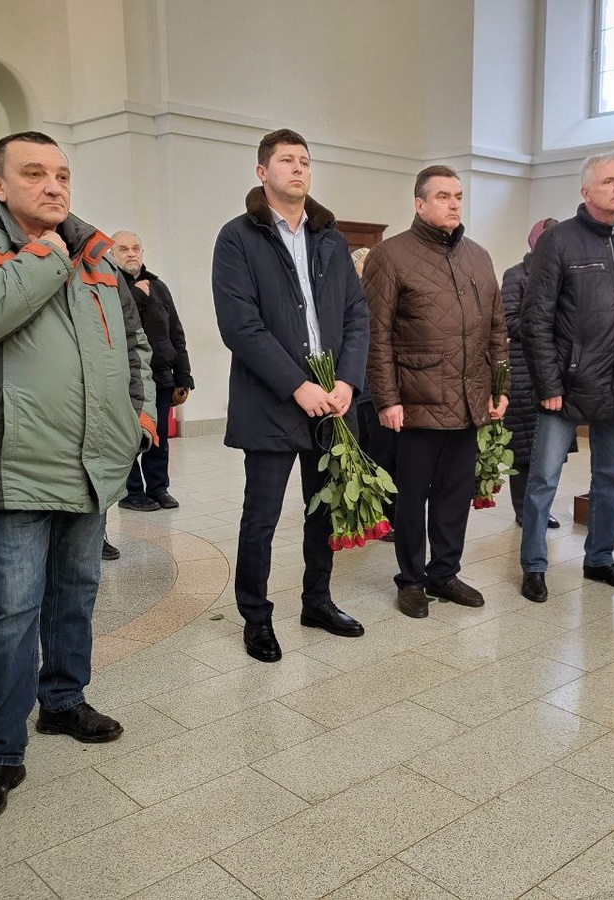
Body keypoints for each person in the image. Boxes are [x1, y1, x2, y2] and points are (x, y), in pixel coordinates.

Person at [0, 131, 157, 824]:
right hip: (17, 463)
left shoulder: (96, 254)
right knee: (8, 614)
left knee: (76, 593)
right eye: (34, 174)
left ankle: (62, 701)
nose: (54, 186)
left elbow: (136, 340)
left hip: (92, 460)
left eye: (61, 174)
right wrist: (44, 255)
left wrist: (140, 415)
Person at [212, 128, 368, 664]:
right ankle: (255, 616)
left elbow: (355, 316)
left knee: (323, 507)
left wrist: (346, 380)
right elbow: (240, 325)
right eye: (286, 161)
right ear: (263, 172)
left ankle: (317, 600)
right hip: (273, 400)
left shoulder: (330, 238)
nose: (298, 169)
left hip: (332, 402)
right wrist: (298, 385)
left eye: (304, 160)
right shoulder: (238, 237)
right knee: (263, 514)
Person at [363, 165, 508, 619]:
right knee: (411, 496)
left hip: (467, 400)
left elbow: (497, 329)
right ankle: (411, 578)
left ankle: (444, 573)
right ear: (419, 203)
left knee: (453, 492)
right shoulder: (391, 256)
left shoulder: (478, 257)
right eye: (443, 196)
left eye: (458, 196)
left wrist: (499, 388)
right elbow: (376, 334)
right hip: (416, 400)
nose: (453, 204)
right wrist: (387, 399)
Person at [519, 150, 614, 603]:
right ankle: (535, 565)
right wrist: (550, 386)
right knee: (543, 480)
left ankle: (600, 558)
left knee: (609, 479)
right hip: (568, 384)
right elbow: (535, 319)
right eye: (607, 182)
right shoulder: (559, 241)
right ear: (585, 191)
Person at [110, 230, 195, 514]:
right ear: (112, 254)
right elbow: (112, 324)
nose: (131, 253)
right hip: (125, 379)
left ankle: (159, 489)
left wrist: (184, 377)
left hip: (159, 377)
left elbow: (176, 333)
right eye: (123, 249)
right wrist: (135, 295)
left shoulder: (158, 286)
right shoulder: (108, 287)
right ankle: (132, 492)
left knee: (158, 436)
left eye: (136, 248)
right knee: (131, 437)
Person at [501, 217, 561, 530]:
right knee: (524, 450)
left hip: (554, 368)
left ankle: (541, 508)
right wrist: (543, 329)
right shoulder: (516, 275)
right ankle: (524, 510)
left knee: (550, 449)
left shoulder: (562, 274)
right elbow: (508, 320)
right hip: (524, 369)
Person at [350, 247, 396, 542]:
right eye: (366, 264)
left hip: (383, 390)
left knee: (387, 456)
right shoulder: (355, 298)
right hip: (365, 392)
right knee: (373, 456)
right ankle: (374, 516)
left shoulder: (383, 294)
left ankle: (384, 515)